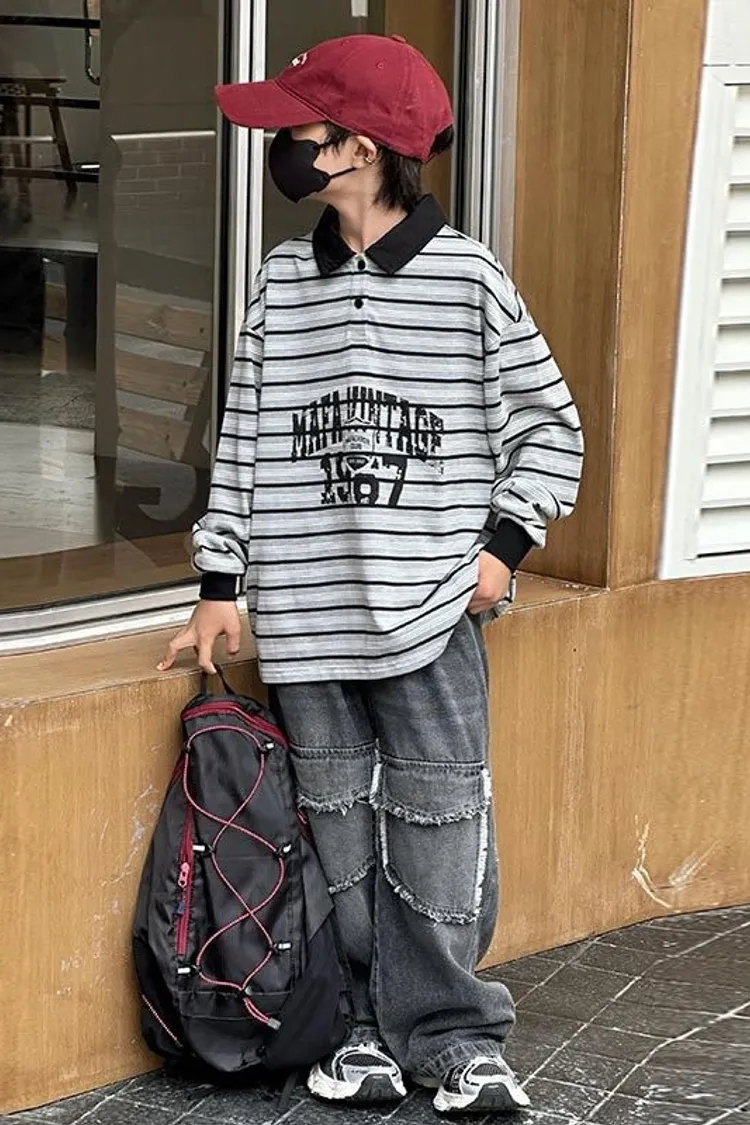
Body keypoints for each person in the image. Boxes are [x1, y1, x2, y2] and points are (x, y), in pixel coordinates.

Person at [158, 33, 584, 1116]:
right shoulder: (281, 282)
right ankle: (357, 1026)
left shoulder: (468, 277)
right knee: (337, 826)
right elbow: (244, 440)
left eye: (298, 130)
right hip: (308, 620)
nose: (281, 147)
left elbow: (552, 429)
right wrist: (220, 582)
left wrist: (499, 550)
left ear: (357, 147)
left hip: (431, 614)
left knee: (441, 829)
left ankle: (456, 1036)